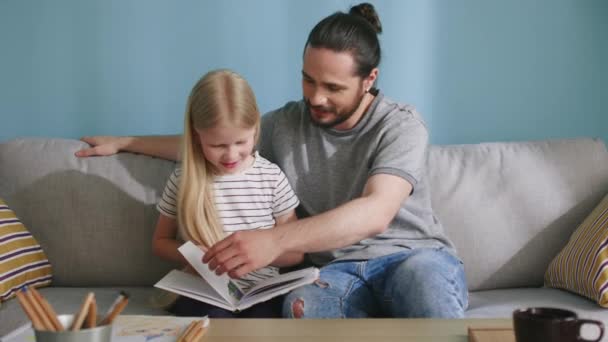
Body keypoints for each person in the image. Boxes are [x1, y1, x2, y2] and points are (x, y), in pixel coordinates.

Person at [75, 3, 468, 318]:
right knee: (302, 308)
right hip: (334, 273)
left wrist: (273, 241)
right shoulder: (286, 124)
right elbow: (218, 141)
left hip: (412, 258)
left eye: (333, 87)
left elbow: (376, 211)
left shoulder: (401, 124)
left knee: (424, 285)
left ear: (369, 80)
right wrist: (126, 141)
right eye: (308, 80)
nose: (315, 97)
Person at [149, 69, 301, 318]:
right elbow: (159, 243)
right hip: (205, 292)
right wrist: (193, 254)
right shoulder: (183, 179)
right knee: (215, 320)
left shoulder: (271, 177)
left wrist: (265, 253)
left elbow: (296, 253)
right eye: (217, 145)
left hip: (259, 291)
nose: (230, 155)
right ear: (197, 137)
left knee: (263, 322)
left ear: (255, 129)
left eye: (241, 142)